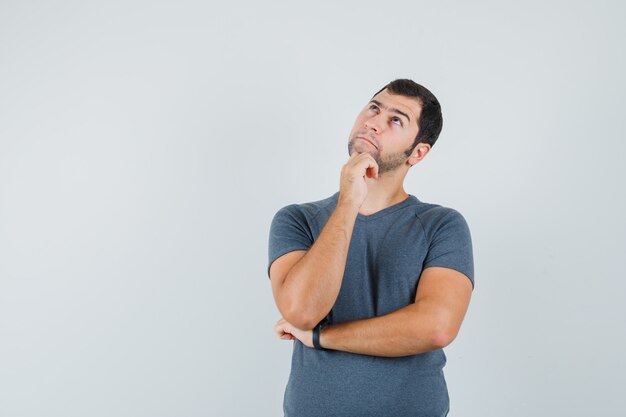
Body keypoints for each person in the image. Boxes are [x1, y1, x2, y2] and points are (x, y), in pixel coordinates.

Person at [267, 79, 474, 417]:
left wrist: (321, 338)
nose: (374, 121)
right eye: (374, 108)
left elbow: (436, 326)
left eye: (396, 120)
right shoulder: (297, 219)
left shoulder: (442, 225)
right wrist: (349, 201)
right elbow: (302, 312)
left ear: (417, 152)